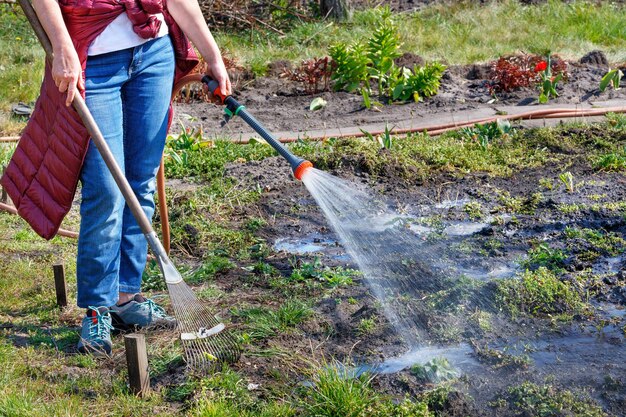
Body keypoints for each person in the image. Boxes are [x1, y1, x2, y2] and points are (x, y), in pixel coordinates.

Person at [30, 0, 231, 355]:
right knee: (107, 188)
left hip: (154, 53)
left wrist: (211, 53)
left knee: (141, 183)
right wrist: (61, 46)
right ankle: (97, 308)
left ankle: (125, 298)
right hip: (92, 59)